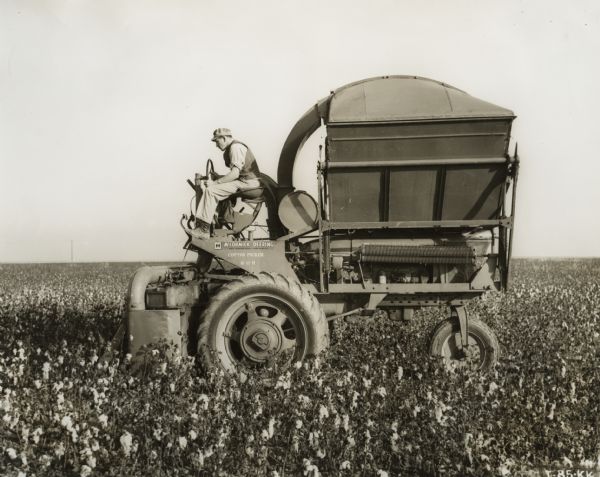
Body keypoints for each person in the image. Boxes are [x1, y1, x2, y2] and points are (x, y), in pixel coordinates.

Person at [191, 128, 261, 239]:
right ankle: (207, 224)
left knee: (211, 191)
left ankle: (203, 230)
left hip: (249, 184)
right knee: (214, 189)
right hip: (245, 182)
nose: (216, 146)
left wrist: (215, 183)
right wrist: (218, 177)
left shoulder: (235, 147)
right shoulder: (232, 147)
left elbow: (235, 174)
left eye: (217, 142)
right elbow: (238, 174)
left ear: (223, 138)